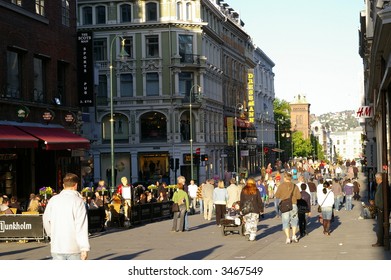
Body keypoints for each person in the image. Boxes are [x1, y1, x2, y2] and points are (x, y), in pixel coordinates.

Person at [43, 173, 90, 260]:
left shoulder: (53, 200)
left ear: (63, 185)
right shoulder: (78, 201)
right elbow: (81, 225)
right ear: (76, 185)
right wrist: (84, 248)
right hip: (73, 246)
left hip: (57, 245)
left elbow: (46, 220)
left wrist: (51, 235)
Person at [274, 172, 301, 244]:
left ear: (285, 178)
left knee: (285, 222)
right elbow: (299, 197)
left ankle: (288, 238)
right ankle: (294, 235)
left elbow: (277, 196)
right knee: (294, 221)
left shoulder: (281, 186)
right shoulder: (295, 186)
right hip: (294, 205)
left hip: (285, 205)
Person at [372, 172, 384, 247]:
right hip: (380, 208)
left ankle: (380, 241)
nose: (375, 180)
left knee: (380, 225)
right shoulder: (380, 186)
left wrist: (380, 207)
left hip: (381, 209)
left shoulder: (382, 186)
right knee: (380, 225)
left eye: (376, 178)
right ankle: (380, 240)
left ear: (379, 178)